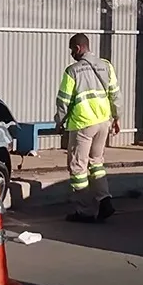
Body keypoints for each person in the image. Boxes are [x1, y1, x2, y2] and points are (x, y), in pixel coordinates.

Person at [54, 33, 121, 223]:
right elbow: (116, 95)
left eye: (71, 49)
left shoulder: (72, 71)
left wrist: (59, 122)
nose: (70, 54)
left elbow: (63, 101)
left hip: (83, 123)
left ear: (77, 48)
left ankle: (84, 211)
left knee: (78, 167)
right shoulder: (106, 66)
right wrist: (116, 117)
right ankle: (104, 200)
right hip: (103, 122)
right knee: (96, 163)